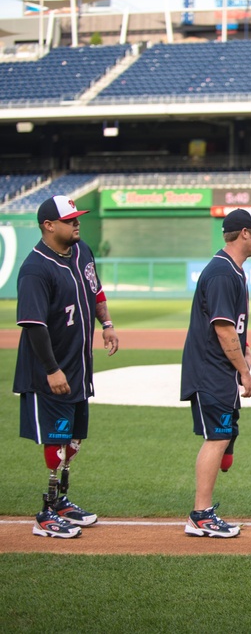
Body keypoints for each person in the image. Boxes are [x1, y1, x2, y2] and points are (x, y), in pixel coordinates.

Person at [14, 195, 120, 538]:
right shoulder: (35, 268)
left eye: (77, 218)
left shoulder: (81, 250)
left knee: (73, 441)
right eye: (70, 219)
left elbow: (96, 290)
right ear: (48, 225)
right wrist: (51, 368)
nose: (77, 223)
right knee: (56, 443)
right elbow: (33, 324)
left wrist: (107, 325)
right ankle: (45, 514)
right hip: (50, 371)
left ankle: (60, 501)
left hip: (79, 367)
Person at [180, 208, 251, 538]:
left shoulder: (232, 270)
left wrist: (244, 349)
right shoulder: (222, 273)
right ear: (244, 233)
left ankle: (202, 512)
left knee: (222, 437)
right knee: (216, 437)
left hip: (217, 368)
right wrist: (244, 372)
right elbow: (222, 327)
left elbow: (232, 326)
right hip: (211, 370)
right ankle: (200, 515)